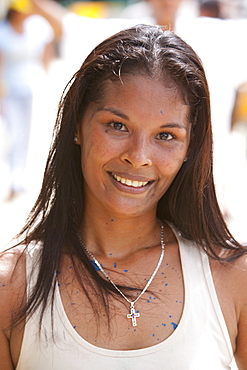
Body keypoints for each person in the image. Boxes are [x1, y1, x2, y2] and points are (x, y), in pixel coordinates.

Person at [0, 24, 247, 369]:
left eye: (165, 135)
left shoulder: (233, 277)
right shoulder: (10, 287)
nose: (139, 155)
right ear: (76, 127)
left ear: (190, 147)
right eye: (117, 126)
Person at [0, 0, 54, 200]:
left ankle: (21, 177)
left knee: (28, 133)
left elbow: (48, 46)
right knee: (13, 133)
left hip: (32, 87)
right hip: (10, 91)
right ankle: (14, 177)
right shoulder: (3, 32)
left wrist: (46, 76)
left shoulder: (35, 28)